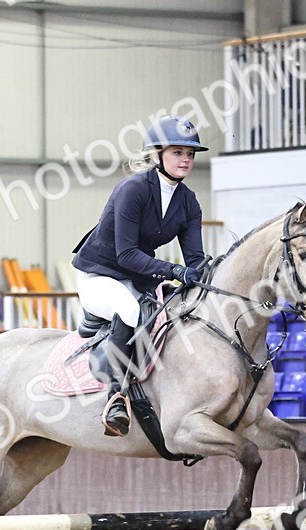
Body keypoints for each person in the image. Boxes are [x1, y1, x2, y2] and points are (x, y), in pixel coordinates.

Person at [72, 115, 208, 437]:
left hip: (137, 279)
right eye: (177, 152)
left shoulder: (188, 202)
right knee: (129, 309)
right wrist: (175, 271)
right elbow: (126, 254)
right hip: (100, 276)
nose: (186, 159)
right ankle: (116, 398)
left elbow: (195, 260)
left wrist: (207, 276)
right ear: (157, 154)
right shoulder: (132, 189)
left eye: (190, 154)